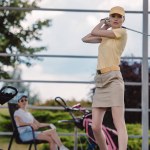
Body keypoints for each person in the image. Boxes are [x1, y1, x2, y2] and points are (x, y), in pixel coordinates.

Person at [82, 6, 128, 150]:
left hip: (114, 80)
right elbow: (85, 38)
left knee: (118, 122)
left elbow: (95, 32)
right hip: (101, 81)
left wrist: (104, 23)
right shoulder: (105, 36)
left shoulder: (121, 32)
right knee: (95, 126)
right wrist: (104, 24)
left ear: (123, 20)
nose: (115, 18)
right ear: (110, 17)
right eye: (113, 16)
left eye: (119, 16)